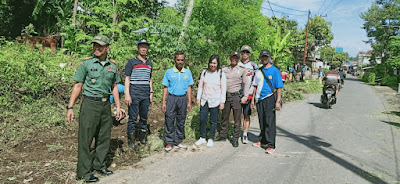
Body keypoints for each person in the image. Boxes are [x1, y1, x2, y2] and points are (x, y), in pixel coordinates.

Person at [66, 35, 122, 182]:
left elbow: (114, 87)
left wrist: (118, 106)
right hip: (90, 104)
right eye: (95, 45)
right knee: (85, 138)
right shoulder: (86, 64)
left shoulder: (113, 66)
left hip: (105, 105)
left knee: (104, 137)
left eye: (100, 46)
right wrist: (70, 107)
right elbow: (78, 85)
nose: (96, 48)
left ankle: (99, 166)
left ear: (107, 48)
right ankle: (83, 173)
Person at [251, 49, 283, 154]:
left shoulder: (275, 70)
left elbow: (279, 87)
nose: (264, 59)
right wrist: (252, 100)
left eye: (266, 57)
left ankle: (271, 144)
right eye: (263, 57)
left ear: (269, 58)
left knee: (270, 122)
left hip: (270, 98)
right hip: (259, 99)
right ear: (260, 58)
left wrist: (278, 101)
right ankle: (263, 140)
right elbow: (255, 86)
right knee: (262, 120)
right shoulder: (259, 71)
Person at [162, 51, 194, 152]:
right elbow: (165, 87)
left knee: (181, 120)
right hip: (172, 98)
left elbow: (189, 87)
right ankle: (169, 142)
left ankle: (178, 140)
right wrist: (163, 102)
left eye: (182, 60)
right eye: (178, 60)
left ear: (184, 61)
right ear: (174, 60)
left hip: (182, 99)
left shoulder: (187, 72)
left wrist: (189, 102)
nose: (180, 62)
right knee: (169, 120)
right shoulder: (169, 72)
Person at [124, 39, 153, 150]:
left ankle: (143, 139)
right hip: (134, 93)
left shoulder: (150, 63)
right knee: (133, 118)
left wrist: (151, 92)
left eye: (145, 47)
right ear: (138, 48)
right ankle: (131, 142)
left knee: (144, 117)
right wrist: (127, 94)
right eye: (141, 46)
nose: (144, 49)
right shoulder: (132, 62)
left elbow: (149, 79)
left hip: (145, 94)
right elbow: (127, 78)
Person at [217, 51, 250, 147]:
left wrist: (245, 97)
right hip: (226, 96)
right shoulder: (224, 69)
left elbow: (246, 84)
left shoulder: (242, 70)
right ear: (230, 58)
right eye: (232, 57)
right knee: (224, 117)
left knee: (237, 118)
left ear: (238, 59)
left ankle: (235, 138)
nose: (234, 59)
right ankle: (223, 135)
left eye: (236, 58)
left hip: (236, 97)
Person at [195, 55, 227, 147]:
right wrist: (198, 98)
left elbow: (223, 88)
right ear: (209, 63)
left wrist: (222, 102)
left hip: (215, 100)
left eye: (214, 63)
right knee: (202, 119)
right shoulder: (204, 72)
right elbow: (201, 86)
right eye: (211, 63)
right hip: (205, 100)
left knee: (213, 121)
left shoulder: (221, 74)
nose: (213, 65)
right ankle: (202, 137)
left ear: (217, 64)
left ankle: (211, 138)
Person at [238, 45, 258, 144]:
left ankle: (245, 134)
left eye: (247, 52)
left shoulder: (253, 66)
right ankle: (236, 133)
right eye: (243, 52)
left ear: (249, 54)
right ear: (241, 53)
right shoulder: (236, 64)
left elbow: (255, 83)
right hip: (237, 94)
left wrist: (252, 97)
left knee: (246, 115)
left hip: (249, 95)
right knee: (237, 116)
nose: (245, 54)